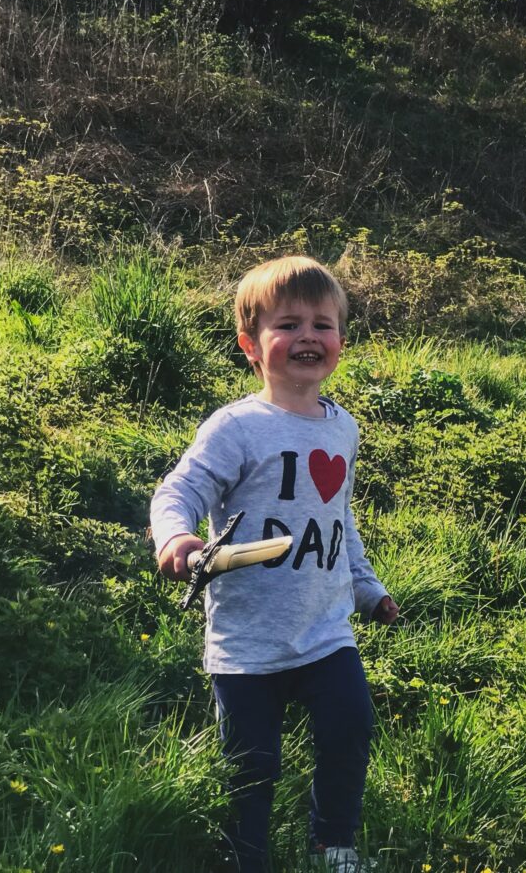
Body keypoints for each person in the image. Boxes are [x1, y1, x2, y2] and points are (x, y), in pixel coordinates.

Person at [150, 256, 398, 873]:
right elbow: (179, 490)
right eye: (289, 324)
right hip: (248, 637)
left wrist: (367, 590)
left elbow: (339, 523)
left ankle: (332, 846)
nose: (309, 336)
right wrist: (177, 537)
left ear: (341, 339)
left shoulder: (344, 429)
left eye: (324, 323)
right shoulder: (237, 427)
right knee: (250, 763)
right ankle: (246, 859)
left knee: (350, 731)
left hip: (325, 628)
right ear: (251, 346)